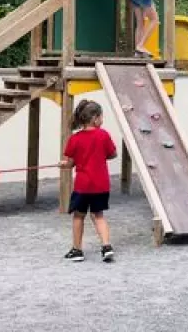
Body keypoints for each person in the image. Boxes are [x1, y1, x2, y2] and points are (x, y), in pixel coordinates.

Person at [60, 99, 117, 263]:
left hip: (83, 186)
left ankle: (77, 250)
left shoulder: (74, 139)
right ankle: (106, 247)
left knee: (79, 216)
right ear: (95, 118)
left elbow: (70, 163)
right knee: (98, 215)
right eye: (101, 117)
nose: (102, 120)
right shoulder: (104, 135)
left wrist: (64, 164)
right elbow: (113, 154)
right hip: (101, 185)